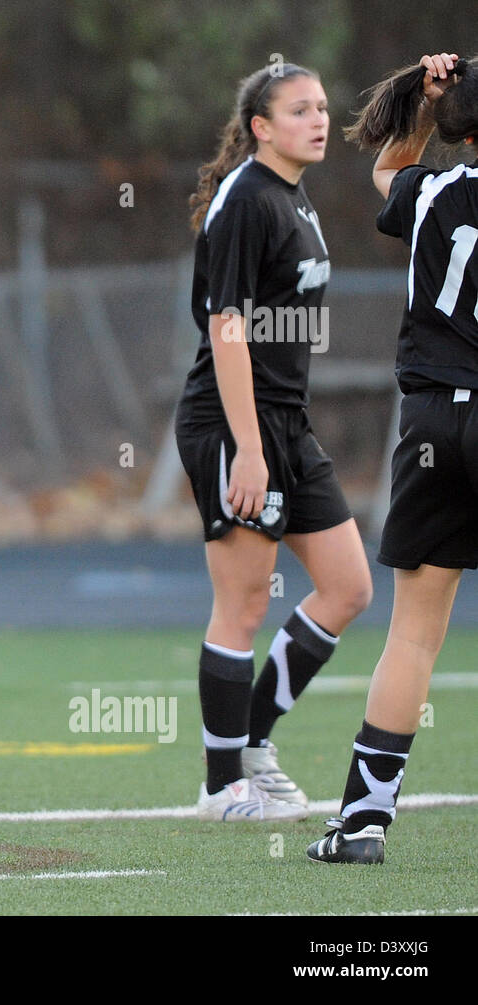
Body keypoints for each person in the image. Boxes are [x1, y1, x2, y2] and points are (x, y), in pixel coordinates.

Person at [176, 62, 373, 821]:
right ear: (261, 126)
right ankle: (221, 786)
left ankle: (252, 745)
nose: (319, 120)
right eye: (300, 110)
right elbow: (225, 329)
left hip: (288, 422)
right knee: (245, 602)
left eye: (324, 107)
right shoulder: (248, 198)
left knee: (349, 585)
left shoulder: (295, 198)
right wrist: (249, 448)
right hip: (234, 423)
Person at [309, 52, 478, 864]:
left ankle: (362, 825)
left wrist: (425, 100)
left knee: (413, 633)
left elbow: (389, 166)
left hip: (434, 424)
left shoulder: (434, 190)